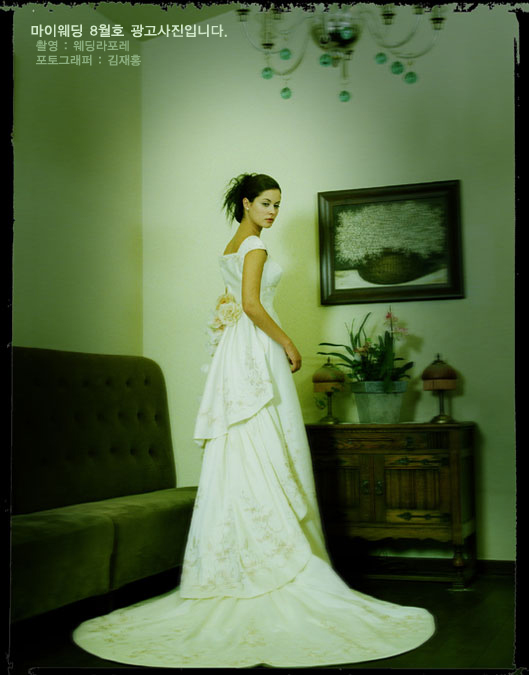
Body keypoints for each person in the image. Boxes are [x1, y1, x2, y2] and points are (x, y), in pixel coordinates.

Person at [72, 173, 435, 668]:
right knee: (266, 437)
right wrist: (287, 341)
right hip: (256, 349)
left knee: (247, 443)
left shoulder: (233, 244)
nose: (273, 212)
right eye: (266, 203)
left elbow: (230, 304)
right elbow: (248, 304)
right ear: (246, 203)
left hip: (236, 351)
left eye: (278, 205)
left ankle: (241, 558)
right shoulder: (256, 247)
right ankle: (271, 559)